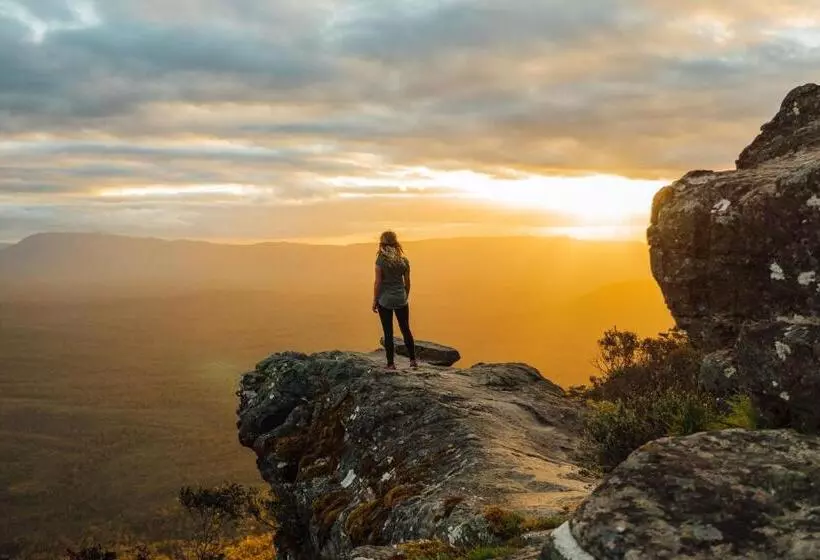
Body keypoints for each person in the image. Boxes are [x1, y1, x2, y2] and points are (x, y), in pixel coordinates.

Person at [372, 231, 417, 369]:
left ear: (382, 244)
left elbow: (378, 283)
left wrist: (375, 300)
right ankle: (413, 361)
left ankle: (390, 364)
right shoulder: (404, 261)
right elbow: (408, 282)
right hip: (401, 298)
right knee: (405, 329)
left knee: (388, 332)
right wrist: (405, 295)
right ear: (396, 243)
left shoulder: (380, 261)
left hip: (385, 300)